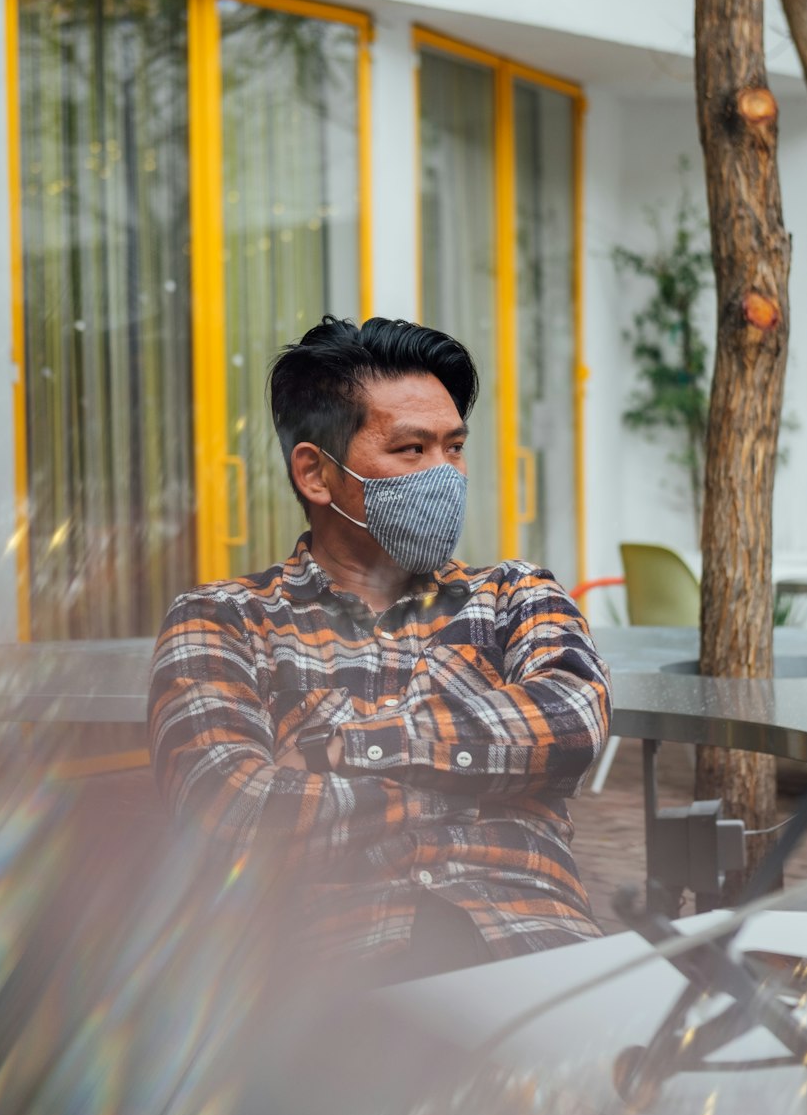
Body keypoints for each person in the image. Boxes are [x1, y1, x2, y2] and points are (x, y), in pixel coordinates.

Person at [149, 315, 612, 983]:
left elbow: (572, 724)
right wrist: (486, 778)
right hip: (334, 987)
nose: (445, 474)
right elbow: (232, 812)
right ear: (315, 474)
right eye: (411, 450)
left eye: (454, 447)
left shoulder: (516, 595)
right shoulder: (224, 620)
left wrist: (342, 752)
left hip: (535, 953)